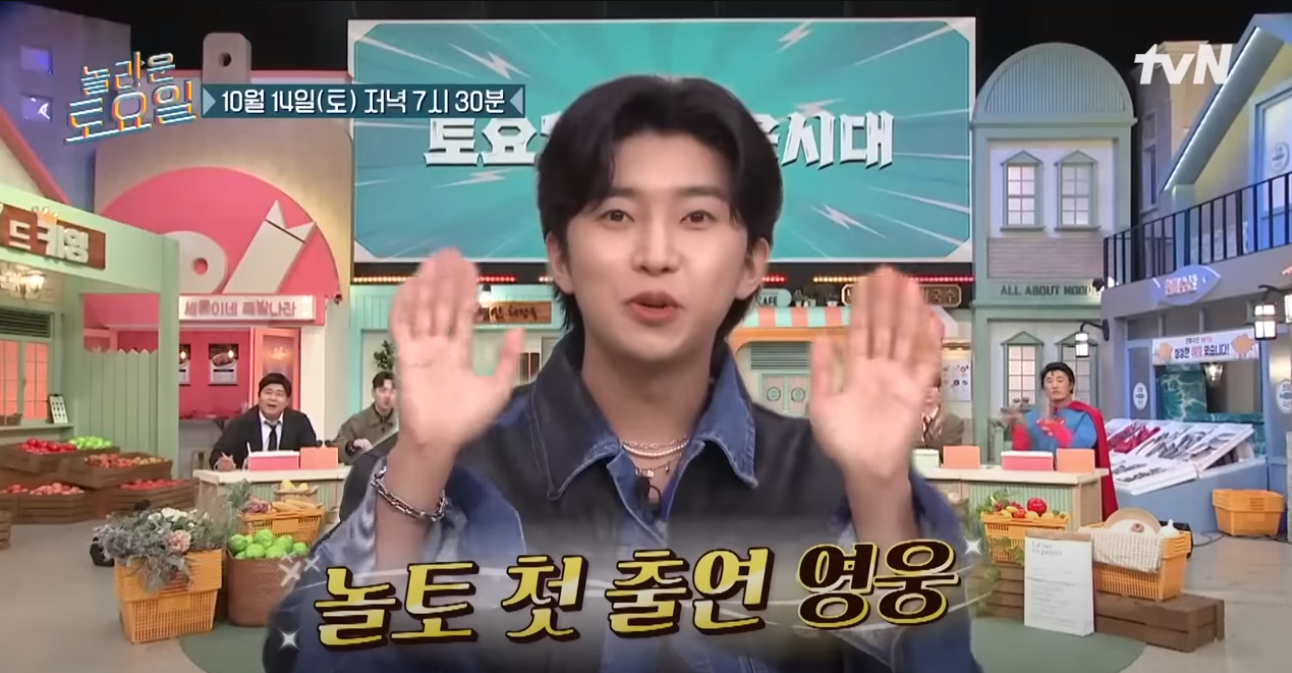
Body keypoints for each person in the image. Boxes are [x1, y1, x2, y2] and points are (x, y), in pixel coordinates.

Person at [267, 76, 978, 673]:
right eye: (616, 214)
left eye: (697, 216)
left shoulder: (829, 480)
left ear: (751, 265)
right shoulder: (437, 469)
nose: (656, 253)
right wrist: (421, 467)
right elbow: (309, 653)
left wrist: (879, 494)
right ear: (561, 257)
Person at [1008, 362, 1118, 517]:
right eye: (1049, 381)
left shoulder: (1086, 415)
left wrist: (1056, 429)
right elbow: (1020, 453)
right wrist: (1018, 428)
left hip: (1074, 488)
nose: (1054, 385)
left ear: (1071, 385)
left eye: (1060, 380)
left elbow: (1081, 447)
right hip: (1037, 487)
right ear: (1043, 387)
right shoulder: (1031, 417)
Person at [209, 373, 318, 470]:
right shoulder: (242, 423)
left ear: (287, 402)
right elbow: (217, 454)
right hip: (250, 482)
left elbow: (311, 455)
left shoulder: (300, 422)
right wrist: (221, 463)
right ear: (259, 396)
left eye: (279, 394)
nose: (273, 398)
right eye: (268, 392)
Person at [333, 371, 397, 464]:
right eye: (382, 390)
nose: (387, 396)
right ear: (373, 393)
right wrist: (352, 445)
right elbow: (336, 447)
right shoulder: (357, 422)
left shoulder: (404, 422)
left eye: (392, 391)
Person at [919, 376, 966, 454]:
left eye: (932, 386)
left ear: (940, 391)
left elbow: (948, 453)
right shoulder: (905, 422)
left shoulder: (953, 422)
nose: (928, 391)